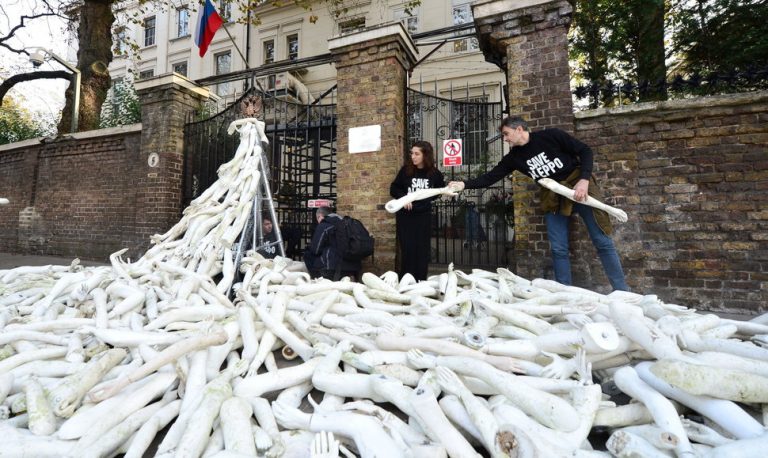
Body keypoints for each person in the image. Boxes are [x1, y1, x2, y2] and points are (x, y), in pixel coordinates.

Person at [448, 116, 629, 291]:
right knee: (558, 248)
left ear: (519, 129)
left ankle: (622, 291)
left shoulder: (551, 136)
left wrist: (584, 180)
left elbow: (585, 150)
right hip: (553, 195)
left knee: (602, 241)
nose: (504, 139)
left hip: (579, 187)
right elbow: (490, 177)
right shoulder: (514, 158)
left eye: (506, 134)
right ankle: (565, 293)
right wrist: (464, 184)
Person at [389, 140, 445, 281]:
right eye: (412, 153)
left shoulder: (434, 174)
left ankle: (420, 280)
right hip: (405, 217)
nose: (413, 157)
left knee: (422, 250)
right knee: (408, 249)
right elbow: (394, 188)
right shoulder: (406, 171)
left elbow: (439, 191)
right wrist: (404, 198)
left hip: (423, 216)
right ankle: (406, 280)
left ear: (425, 155)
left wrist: (426, 199)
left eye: (416, 154)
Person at [303, 206, 361, 280]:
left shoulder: (324, 225)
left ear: (320, 216)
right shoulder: (346, 224)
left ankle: (316, 279)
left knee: (307, 255)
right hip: (353, 266)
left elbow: (315, 250)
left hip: (331, 267)